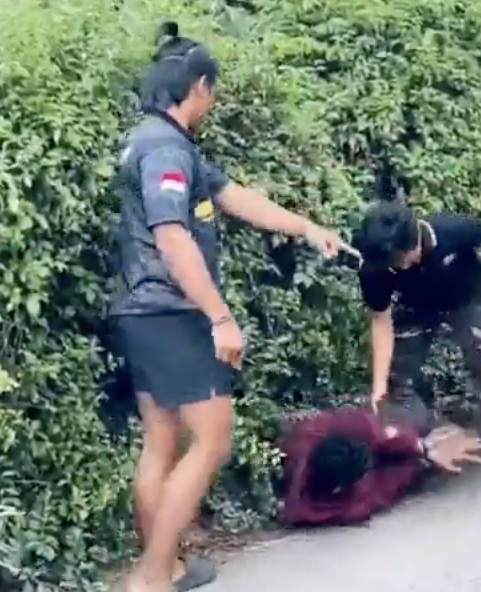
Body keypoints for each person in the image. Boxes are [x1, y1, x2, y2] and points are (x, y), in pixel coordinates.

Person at [107, 21, 347, 592]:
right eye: (212, 90)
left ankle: (167, 567)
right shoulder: (166, 148)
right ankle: (152, 578)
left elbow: (234, 197)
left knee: (162, 443)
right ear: (200, 86)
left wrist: (306, 227)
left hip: (143, 314)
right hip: (170, 314)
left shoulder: (160, 140)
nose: (212, 101)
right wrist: (220, 317)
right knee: (212, 441)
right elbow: (172, 236)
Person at [352, 201, 481, 505]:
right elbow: (381, 321)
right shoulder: (376, 266)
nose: (396, 267)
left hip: (469, 297)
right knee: (393, 386)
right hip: (415, 308)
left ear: (416, 242)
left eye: (400, 259)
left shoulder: (450, 230)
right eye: (390, 263)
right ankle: (419, 457)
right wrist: (378, 386)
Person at [280, 400, 481, 527]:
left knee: (404, 420)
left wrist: (419, 445)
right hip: (396, 465)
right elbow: (394, 482)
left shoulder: (311, 434)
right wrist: (425, 458)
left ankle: (437, 432)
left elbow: (375, 428)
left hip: (389, 437)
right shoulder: (352, 505)